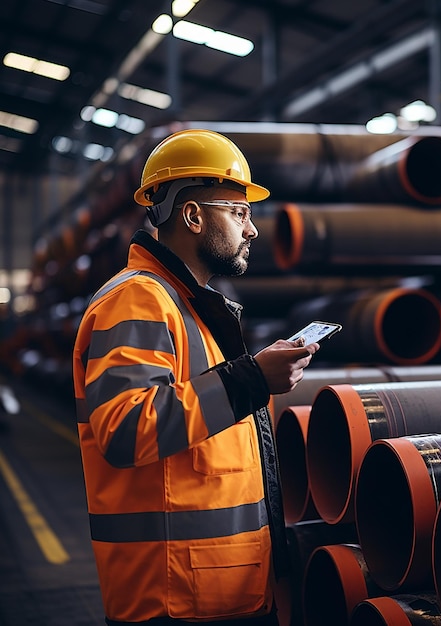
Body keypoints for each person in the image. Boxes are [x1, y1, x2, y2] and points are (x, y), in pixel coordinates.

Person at [72, 128, 319, 625]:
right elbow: (125, 430)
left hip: (221, 587)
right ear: (192, 215)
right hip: (177, 598)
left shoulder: (189, 306)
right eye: (239, 212)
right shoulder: (139, 299)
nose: (251, 230)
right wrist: (251, 379)